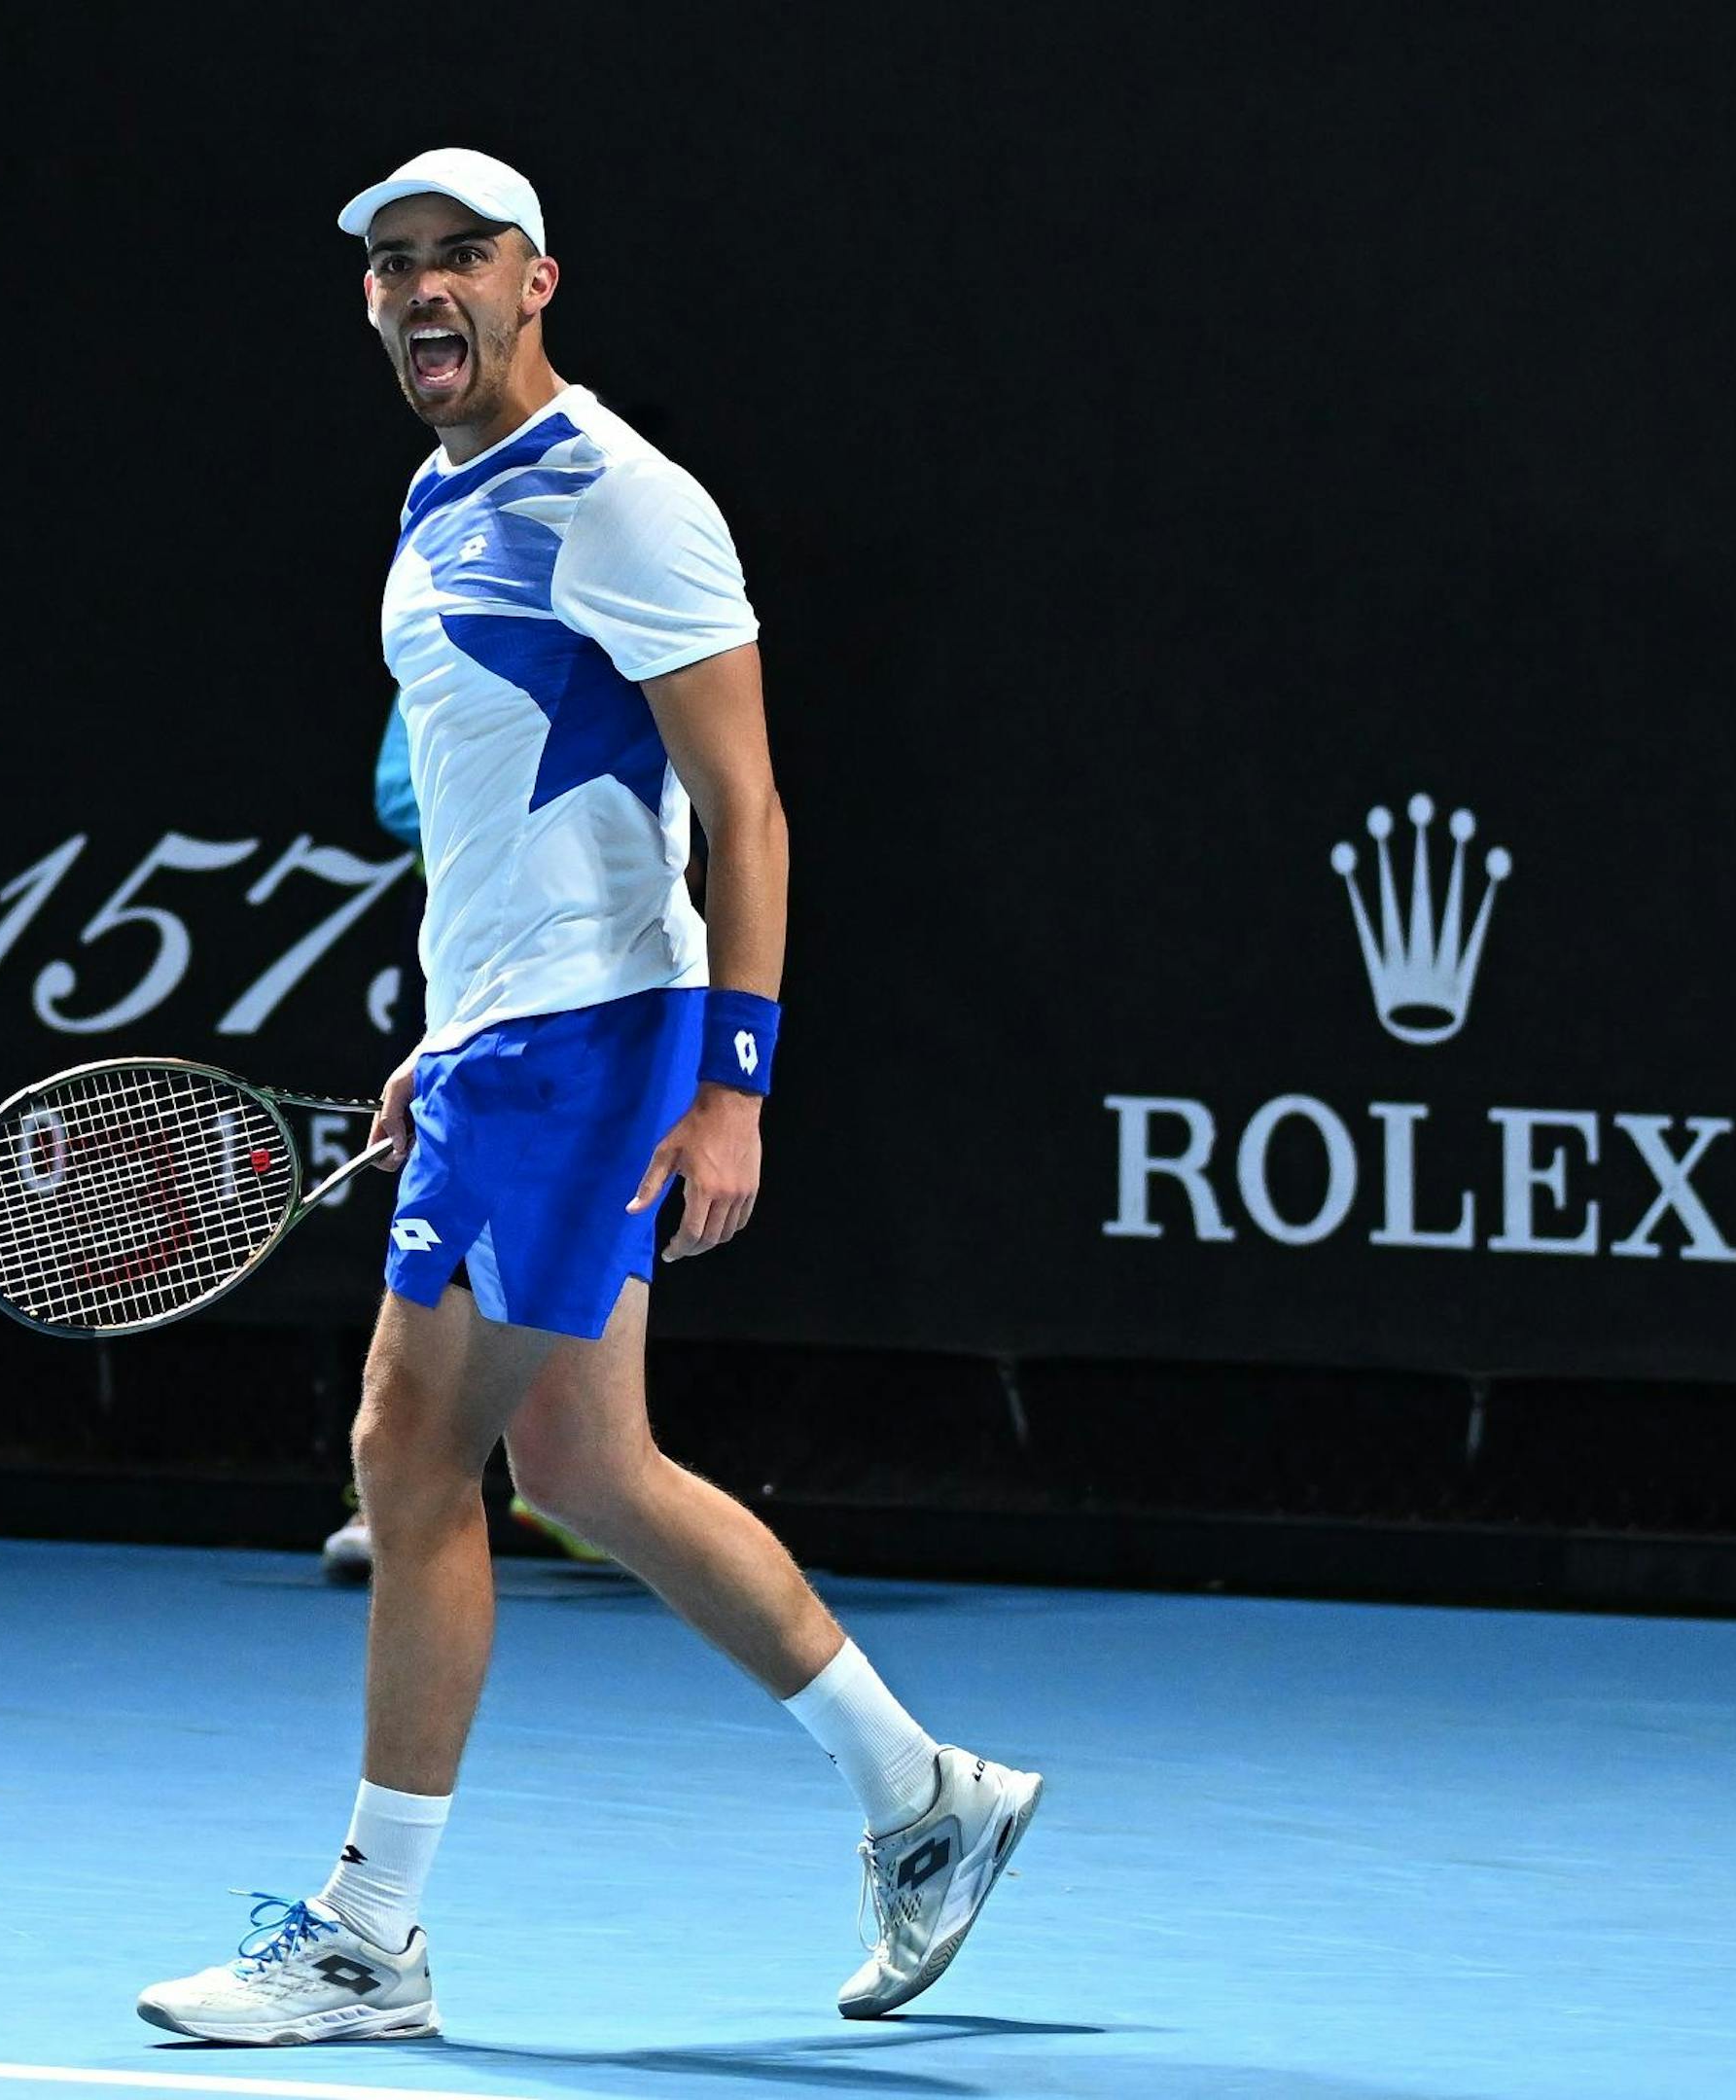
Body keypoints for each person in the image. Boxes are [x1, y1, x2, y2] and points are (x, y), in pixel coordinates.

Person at [138, 149, 1040, 2046]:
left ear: (538, 280)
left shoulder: (623, 501)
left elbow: (748, 807)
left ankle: (371, 1932)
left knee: (404, 1452)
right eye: (389, 266)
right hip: (511, 1031)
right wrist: (441, 1035)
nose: (418, 290)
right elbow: (505, 816)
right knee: (581, 1467)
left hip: (596, 1036)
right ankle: (923, 1793)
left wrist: (735, 1085)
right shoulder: (435, 494)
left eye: (457, 255)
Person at [325, 695, 616, 1585]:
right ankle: (418, 1486)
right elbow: (397, 793)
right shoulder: (441, 600)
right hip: (478, 990)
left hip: (586, 996)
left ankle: (569, 1474)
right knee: (478, 1243)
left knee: (560, 1236)